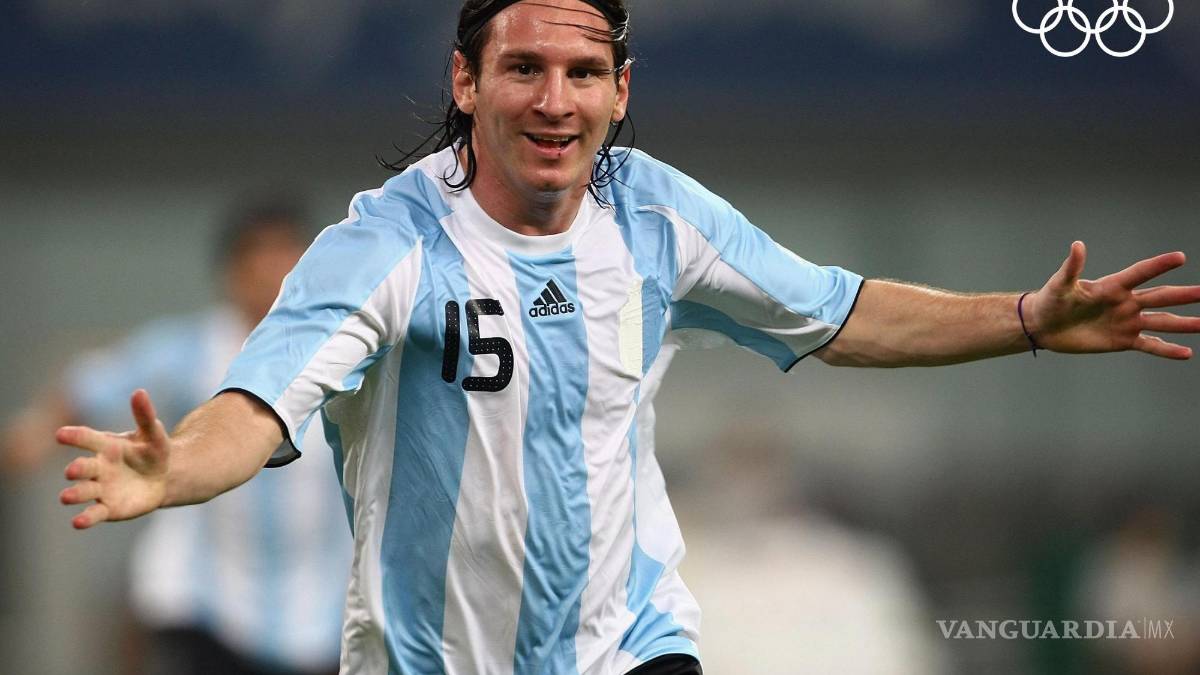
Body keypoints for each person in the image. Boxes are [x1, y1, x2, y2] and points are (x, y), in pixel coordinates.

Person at [52, 2, 1200, 674]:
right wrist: (175, 469)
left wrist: (1023, 319)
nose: (555, 100)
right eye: (524, 69)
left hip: (629, 647)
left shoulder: (656, 217)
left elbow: (840, 313)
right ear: (466, 81)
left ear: (619, 88)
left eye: (583, 73)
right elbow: (257, 408)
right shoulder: (384, 244)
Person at [6, 196, 351, 675]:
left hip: (325, 612)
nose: (272, 269)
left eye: (286, 252)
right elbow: (88, 388)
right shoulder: (185, 349)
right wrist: (29, 438)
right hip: (204, 605)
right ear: (231, 270)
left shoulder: (349, 351)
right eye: (258, 253)